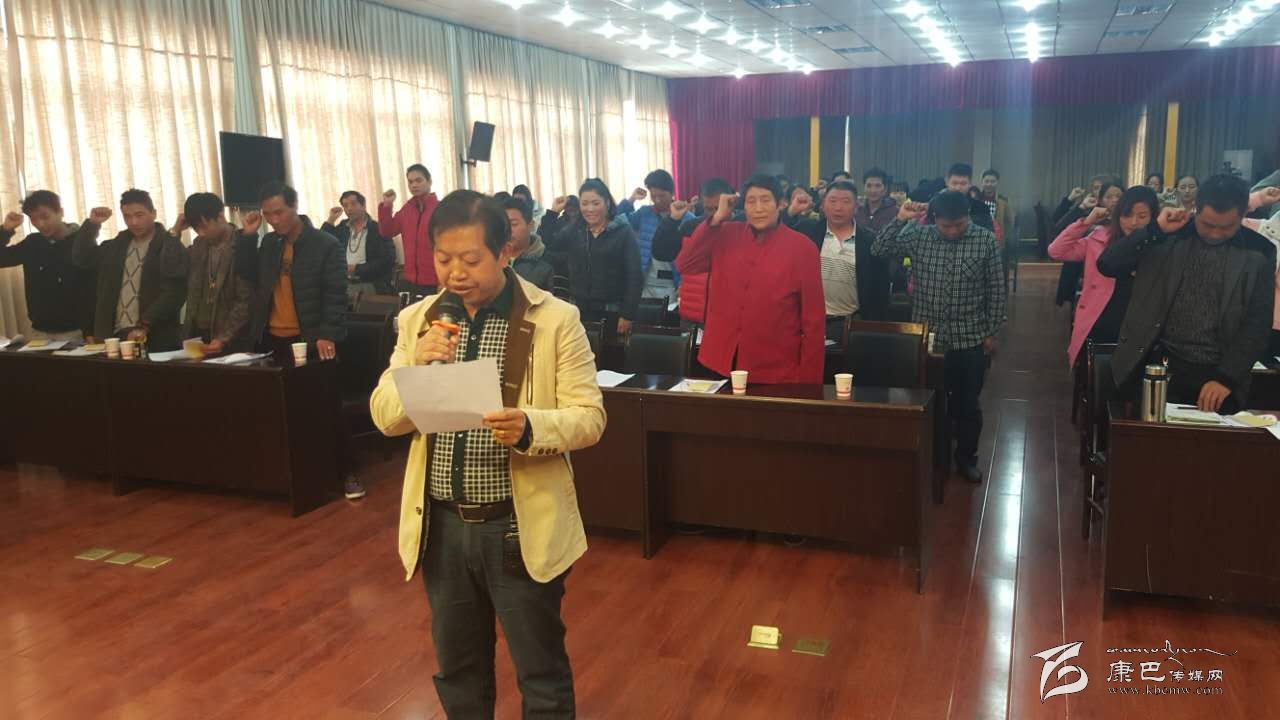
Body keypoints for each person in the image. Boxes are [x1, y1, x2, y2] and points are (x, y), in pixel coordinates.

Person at [369, 190, 604, 719]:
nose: (456, 274)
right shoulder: (419, 320)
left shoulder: (554, 319)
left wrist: (530, 426)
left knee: (540, 673)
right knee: (459, 671)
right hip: (442, 526)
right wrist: (416, 370)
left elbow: (590, 417)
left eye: (471, 259)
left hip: (517, 526)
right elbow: (385, 416)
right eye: (444, 259)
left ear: (504, 252)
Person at [1098, 174, 1275, 414]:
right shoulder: (1170, 235)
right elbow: (1107, 264)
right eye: (1207, 225)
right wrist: (1154, 229)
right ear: (1196, 209)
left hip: (1217, 373)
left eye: (1226, 227)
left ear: (1243, 214)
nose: (1215, 234)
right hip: (1156, 364)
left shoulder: (1259, 251)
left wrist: (1227, 377)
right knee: (1143, 435)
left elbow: (1257, 323)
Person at [240, 182, 362, 500]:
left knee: (326, 407)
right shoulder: (269, 243)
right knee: (281, 413)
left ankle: (347, 472)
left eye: (279, 212)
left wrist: (326, 334)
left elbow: (335, 294)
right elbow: (249, 276)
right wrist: (248, 237)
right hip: (273, 337)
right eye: (268, 215)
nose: (274, 220)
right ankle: (296, 475)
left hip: (311, 338)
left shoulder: (325, 244)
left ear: (294, 206)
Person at [873, 191, 1006, 483]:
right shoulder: (918, 236)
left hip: (970, 336)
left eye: (959, 225)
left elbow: (997, 289)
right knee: (929, 400)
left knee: (967, 404)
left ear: (968, 217)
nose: (953, 231)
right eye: (946, 226)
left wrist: (991, 331)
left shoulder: (984, 240)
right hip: (928, 338)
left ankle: (966, 459)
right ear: (935, 220)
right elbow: (879, 248)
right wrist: (900, 219)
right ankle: (934, 457)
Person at [675, 173, 824, 384]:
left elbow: (813, 322)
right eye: (751, 201)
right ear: (742, 206)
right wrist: (716, 218)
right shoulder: (724, 233)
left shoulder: (802, 248)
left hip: (774, 367)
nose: (758, 208)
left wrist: (809, 383)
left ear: (780, 204)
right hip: (719, 360)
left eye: (765, 200)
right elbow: (686, 265)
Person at [1049, 186, 1159, 367]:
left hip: (1139, 325)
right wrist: (1086, 222)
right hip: (1099, 319)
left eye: (1142, 216)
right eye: (1127, 215)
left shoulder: (1158, 246)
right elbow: (1056, 251)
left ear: (1154, 218)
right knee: (1093, 375)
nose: (1133, 223)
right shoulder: (1099, 238)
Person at [73, 189, 187, 350]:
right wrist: (93, 224)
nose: (133, 222)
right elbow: (83, 258)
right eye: (127, 216)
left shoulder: (168, 246)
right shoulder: (116, 245)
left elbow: (174, 293)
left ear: (153, 213)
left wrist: (145, 324)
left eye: (139, 215)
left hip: (155, 334)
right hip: (114, 335)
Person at [784, 179, 891, 333]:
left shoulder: (869, 241)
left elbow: (880, 290)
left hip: (852, 323)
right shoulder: (807, 231)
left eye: (846, 202)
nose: (838, 208)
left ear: (856, 207)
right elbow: (773, 234)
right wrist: (791, 212)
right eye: (832, 201)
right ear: (823, 205)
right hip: (809, 321)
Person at [543, 178, 642, 339]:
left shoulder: (623, 232)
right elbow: (548, 244)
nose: (590, 209)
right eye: (584, 203)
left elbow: (635, 275)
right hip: (578, 312)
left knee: (609, 354)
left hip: (612, 312)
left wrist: (628, 314)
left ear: (607, 203)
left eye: (596, 203)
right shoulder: (575, 230)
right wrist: (552, 213)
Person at [0, 191, 98, 342]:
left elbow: (92, 288)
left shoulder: (81, 241)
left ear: (61, 212)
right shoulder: (33, 243)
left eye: (45, 217)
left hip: (77, 330)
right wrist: (6, 230)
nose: (40, 224)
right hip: (39, 330)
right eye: (33, 219)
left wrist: (90, 330)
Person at [651, 178, 741, 328]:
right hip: (694, 314)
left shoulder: (743, 226)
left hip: (730, 314)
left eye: (718, 208)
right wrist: (672, 219)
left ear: (730, 202)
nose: (714, 214)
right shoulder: (692, 226)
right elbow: (661, 252)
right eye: (708, 209)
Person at [178, 193, 253, 355]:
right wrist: (175, 231)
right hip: (198, 334)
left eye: (204, 226)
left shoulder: (242, 244)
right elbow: (173, 269)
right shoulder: (198, 246)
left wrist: (223, 338)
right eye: (196, 229)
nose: (201, 233)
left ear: (220, 217)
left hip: (231, 338)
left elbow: (245, 300)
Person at [618, 169, 694, 303]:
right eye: (653, 196)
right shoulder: (644, 213)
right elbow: (617, 221)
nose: (657, 200)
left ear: (672, 193)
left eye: (662, 196)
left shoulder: (687, 218)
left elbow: (692, 256)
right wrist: (631, 199)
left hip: (674, 284)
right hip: (645, 283)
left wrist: (684, 283)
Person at [380, 163, 440, 297]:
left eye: (418, 180)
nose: (414, 185)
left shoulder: (440, 209)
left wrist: (444, 280)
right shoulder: (407, 209)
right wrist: (387, 205)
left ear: (429, 182)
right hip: (410, 280)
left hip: (435, 280)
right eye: (410, 182)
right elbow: (387, 231)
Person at [324, 191, 396, 297]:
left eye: (353, 204)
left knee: (340, 296)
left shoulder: (377, 229)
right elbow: (323, 244)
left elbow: (388, 259)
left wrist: (356, 269)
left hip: (371, 283)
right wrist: (331, 219)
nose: (349, 208)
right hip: (345, 281)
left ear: (363, 205)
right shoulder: (343, 228)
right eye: (345, 206)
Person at [503, 195, 554, 291]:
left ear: (530, 225)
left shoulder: (547, 261)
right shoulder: (494, 260)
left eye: (513, 224)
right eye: (503, 225)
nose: (507, 230)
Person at [927, 164, 993, 230]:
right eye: (954, 183)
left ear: (970, 184)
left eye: (963, 184)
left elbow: (987, 232)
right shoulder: (935, 205)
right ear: (947, 182)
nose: (958, 188)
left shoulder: (981, 208)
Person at [854, 167, 898, 236]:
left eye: (878, 186)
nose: (873, 190)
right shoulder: (856, 210)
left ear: (885, 189)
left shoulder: (894, 212)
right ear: (864, 188)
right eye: (869, 186)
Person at [979, 169, 1016, 249]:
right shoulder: (976, 199)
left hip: (996, 241)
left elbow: (1010, 222)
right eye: (986, 181)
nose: (989, 184)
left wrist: (1003, 236)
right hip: (978, 240)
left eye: (992, 181)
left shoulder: (1004, 201)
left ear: (997, 182)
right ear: (982, 182)